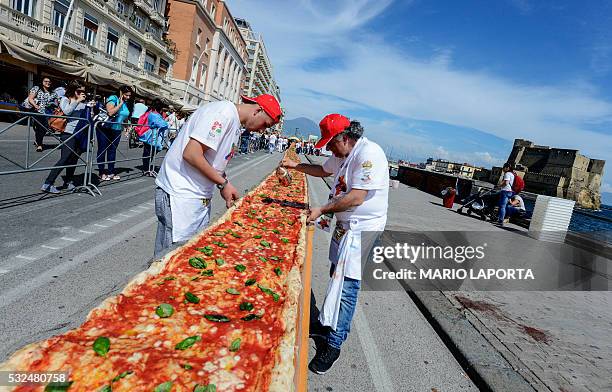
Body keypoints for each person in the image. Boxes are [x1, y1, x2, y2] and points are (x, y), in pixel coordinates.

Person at [281, 114, 389, 374]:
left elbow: (356, 197)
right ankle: (327, 322)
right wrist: (294, 166)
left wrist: (322, 208)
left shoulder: (369, 153)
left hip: (362, 229)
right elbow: (323, 171)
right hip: (344, 226)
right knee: (335, 275)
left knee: (348, 285)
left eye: (331, 142)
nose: (328, 148)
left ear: (346, 138)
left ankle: (334, 343)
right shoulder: (342, 154)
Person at [153, 94, 282, 258]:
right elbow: (192, 154)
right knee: (171, 259)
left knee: (191, 254)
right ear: (257, 110)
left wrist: (224, 182)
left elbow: (214, 161)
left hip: (196, 196)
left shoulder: (234, 121)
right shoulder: (223, 113)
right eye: (266, 124)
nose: (262, 130)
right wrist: (223, 184)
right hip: (181, 194)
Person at [40, 80, 91, 194]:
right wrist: (77, 101)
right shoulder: (65, 99)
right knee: (64, 158)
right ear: (74, 90)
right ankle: (48, 183)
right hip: (68, 132)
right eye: (79, 91)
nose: (82, 93)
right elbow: (67, 111)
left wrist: (89, 107)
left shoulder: (82, 101)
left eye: (83, 91)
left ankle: (68, 181)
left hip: (80, 133)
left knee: (74, 159)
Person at [97, 86, 132, 181]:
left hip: (117, 129)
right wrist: (120, 104)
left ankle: (111, 171)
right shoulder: (113, 98)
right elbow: (110, 112)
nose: (128, 97)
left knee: (112, 150)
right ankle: (101, 172)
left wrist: (127, 126)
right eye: (126, 95)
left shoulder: (126, 102)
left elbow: (124, 115)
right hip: (106, 128)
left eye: (129, 96)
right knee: (102, 149)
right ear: (121, 92)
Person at [23, 77, 59, 152]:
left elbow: (57, 102)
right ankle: (40, 144)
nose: (48, 83)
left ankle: (38, 141)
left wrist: (54, 104)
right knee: (39, 127)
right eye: (46, 81)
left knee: (44, 128)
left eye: (49, 81)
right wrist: (36, 106)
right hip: (37, 111)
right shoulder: (37, 88)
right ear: (42, 82)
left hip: (48, 113)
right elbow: (30, 98)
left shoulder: (53, 92)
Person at [141, 99, 169, 175]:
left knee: (149, 152)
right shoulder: (155, 115)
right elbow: (164, 125)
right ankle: (146, 168)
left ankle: (146, 168)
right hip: (152, 135)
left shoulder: (151, 113)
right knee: (149, 152)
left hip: (149, 134)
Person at [495, 162, 515, 226]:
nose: (503, 169)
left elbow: (506, 182)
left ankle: (500, 220)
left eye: (504, 168)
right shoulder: (512, 174)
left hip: (505, 191)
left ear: (507, 168)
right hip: (510, 192)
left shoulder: (507, 174)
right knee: (504, 206)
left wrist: (499, 186)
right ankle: (499, 218)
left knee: (502, 206)